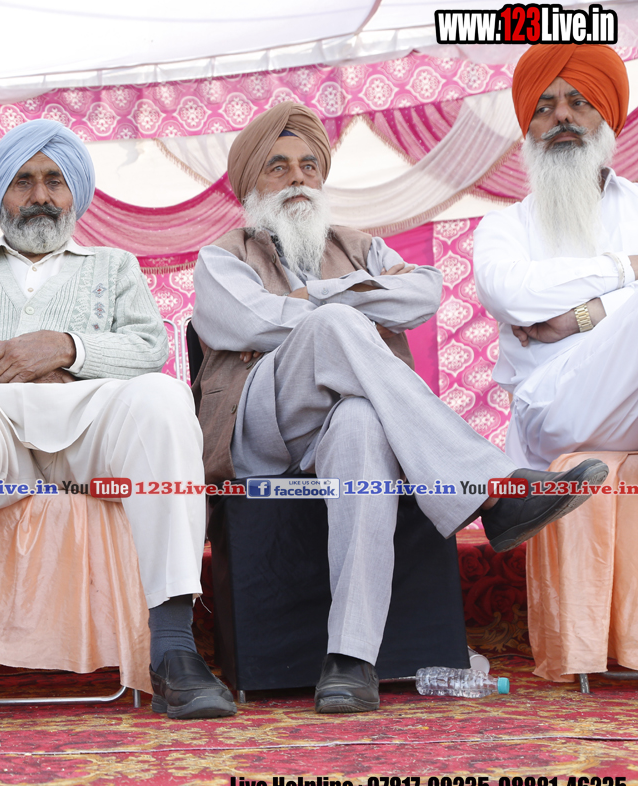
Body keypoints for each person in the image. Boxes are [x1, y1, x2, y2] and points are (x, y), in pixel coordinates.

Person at [192, 103, 606, 715]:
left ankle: (350, 662)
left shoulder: (358, 244)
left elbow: (423, 292)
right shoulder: (222, 256)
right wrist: (351, 306)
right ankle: (490, 489)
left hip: (337, 424)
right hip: (259, 424)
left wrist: (322, 292)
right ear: (252, 185)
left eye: (309, 166)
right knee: (332, 328)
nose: (298, 178)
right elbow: (255, 321)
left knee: (362, 425)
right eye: (279, 168)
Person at [0, 119, 236, 728]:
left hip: (92, 426)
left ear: (74, 193)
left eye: (55, 181)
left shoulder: (114, 266)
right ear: (0, 193)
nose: (41, 196)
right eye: (23, 182)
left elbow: (149, 348)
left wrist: (66, 348)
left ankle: (174, 649)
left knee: (163, 398)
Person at [474, 44, 638, 469]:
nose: (562, 116)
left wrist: (583, 316)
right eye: (544, 108)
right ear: (528, 129)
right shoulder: (504, 226)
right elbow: (509, 293)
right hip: (552, 408)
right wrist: (627, 267)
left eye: (579, 102)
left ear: (606, 116)